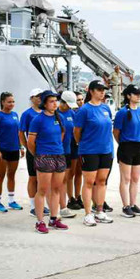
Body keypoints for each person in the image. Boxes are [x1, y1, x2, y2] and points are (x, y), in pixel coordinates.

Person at [27, 91, 68, 233]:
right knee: (42, 190)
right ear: (44, 103)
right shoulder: (38, 120)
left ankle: (53, 219)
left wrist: (56, 148)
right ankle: (39, 222)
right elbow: (30, 142)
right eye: (51, 101)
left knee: (56, 189)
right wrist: (39, 155)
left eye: (56, 100)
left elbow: (61, 135)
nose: (55, 103)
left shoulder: (60, 117)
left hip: (59, 155)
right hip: (44, 156)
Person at [74, 80, 114, 226]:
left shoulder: (106, 108)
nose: (102, 92)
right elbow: (77, 132)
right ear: (91, 91)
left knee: (102, 181)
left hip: (105, 150)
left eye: (103, 89)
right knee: (89, 181)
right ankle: (87, 213)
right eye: (98, 89)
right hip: (89, 150)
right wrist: (83, 144)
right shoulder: (84, 110)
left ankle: (100, 210)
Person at [113, 84, 140, 218]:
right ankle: (125, 206)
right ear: (128, 96)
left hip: (139, 145)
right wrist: (122, 144)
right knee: (125, 178)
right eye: (135, 93)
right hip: (127, 145)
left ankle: (133, 204)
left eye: (139, 93)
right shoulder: (122, 112)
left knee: (135, 178)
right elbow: (116, 131)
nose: (138, 96)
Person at [0, 92, 24, 213]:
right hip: (2, 150)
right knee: (0, 176)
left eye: (13, 102)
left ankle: (11, 201)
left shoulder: (15, 115)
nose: (12, 104)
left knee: (11, 175)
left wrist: (20, 146)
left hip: (14, 149)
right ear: (2, 102)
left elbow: (18, 132)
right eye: (9, 102)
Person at [19, 88, 46, 216]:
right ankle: (33, 205)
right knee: (33, 177)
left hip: (45, 150)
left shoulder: (46, 112)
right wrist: (27, 147)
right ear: (31, 98)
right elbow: (21, 132)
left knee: (43, 179)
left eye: (41, 95)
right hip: (33, 150)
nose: (40, 97)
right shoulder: (27, 114)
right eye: (37, 96)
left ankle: (41, 204)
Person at [56, 91, 78, 219]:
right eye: (67, 104)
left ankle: (63, 206)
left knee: (64, 179)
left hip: (68, 150)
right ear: (62, 102)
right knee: (54, 180)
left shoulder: (71, 113)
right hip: (56, 151)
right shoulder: (55, 114)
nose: (69, 107)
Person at [66, 92, 85, 210]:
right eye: (78, 100)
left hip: (82, 145)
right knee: (71, 173)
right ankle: (70, 197)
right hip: (72, 145)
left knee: (79, 172)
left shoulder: (84, 112)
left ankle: (78, 196)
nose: (80, 102)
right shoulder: (72, 113)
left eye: (82, 99)